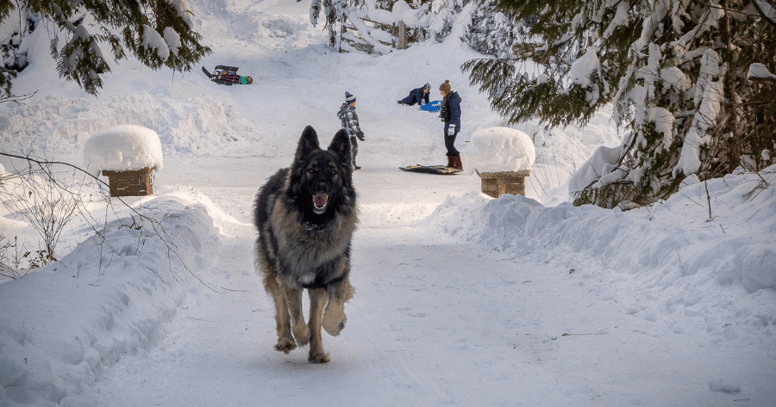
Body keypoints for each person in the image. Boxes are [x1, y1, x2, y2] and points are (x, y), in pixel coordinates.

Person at [337, 92, 365, 170]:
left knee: (351, 149)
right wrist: (358, 132)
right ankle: (351, 165)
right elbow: (352, 123)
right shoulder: (349, 111)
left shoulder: (348, 110)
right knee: (353, 149)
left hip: (348, 133)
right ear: (351, 102)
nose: (355, 103)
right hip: (349, 134)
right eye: (353, 101)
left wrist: (359, 131)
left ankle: (351, 164)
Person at [438, 80, 462, 170]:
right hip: (448, 125)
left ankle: (458, 164)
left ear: (446, 91)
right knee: (447, 145)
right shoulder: (447, 99)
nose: (441, 93)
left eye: (442, 91)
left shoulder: (453, 100)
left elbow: (456, 114)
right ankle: (451, 164)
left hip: (453, 126)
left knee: (450, 145)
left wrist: (452, 126)